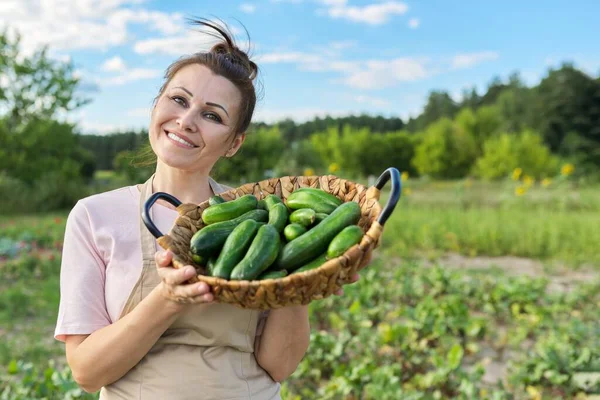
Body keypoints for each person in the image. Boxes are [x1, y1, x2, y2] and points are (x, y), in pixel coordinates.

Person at [54, 18, 364, 399]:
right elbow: (87, 372)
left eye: (212, 115)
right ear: (156, 105)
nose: (186, 121)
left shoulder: (264, 216)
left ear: (234, 143)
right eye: (179, 100)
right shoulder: (94, 216)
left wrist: (300, 281)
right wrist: (167, 300)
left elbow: (279, 366)